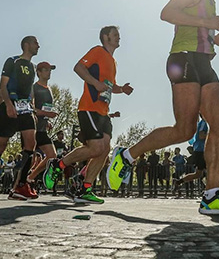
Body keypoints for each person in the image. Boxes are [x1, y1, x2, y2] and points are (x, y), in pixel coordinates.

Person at [107, 0, 219, 215]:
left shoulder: (211, 1)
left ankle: (212, 195)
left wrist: (214, 39)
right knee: (184, 130)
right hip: (183, 59)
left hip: (203, 62)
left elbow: (193, 27)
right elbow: (167, 13)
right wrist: (207, 24)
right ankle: (126, 156)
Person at [43, 26, 134, 204]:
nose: (119, 38)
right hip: (89, 108)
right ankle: (58, 165)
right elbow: (78, 68)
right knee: (96, 148)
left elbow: (110, 85)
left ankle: (85, 188)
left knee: (105, 149)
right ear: (105, 37)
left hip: (104, 112)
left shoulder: (112, 61)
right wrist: (95, 83)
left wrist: (121, 89)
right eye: (115, 35)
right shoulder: (97, 51)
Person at [1, 36, 40, 200]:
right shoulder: (13, 61)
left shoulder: (33, 66)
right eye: (35, 42)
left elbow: (30, 89)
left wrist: (33, 110)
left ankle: (20, 186)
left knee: (31, 144)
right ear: (26, 45)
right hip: (10, 105)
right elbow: (3, 85)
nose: (38, 45)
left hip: (26, 110)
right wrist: (8, 104)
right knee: (2, 144)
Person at [27, 62, 59, 184]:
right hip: (32, 128)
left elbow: (46, 109)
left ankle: (30, 177)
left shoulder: (49, 89)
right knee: (30, 159)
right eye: (45, 70)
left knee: (52, 155)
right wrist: (46, 115)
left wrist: (47, 121)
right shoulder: (34, 87)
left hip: (42, 128)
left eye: (50, 70)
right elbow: (31, 108)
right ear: (38, 72)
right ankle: (20, 183)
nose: (49, 72)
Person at [173, 118, 209, 197]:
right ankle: (210, 192)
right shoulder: (203, 123)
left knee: (198, 174)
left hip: (199, 150)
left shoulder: (200, 123)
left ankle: (178, 182)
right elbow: (201, 135)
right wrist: (212, 135)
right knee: (210, 170)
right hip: (201, 151)